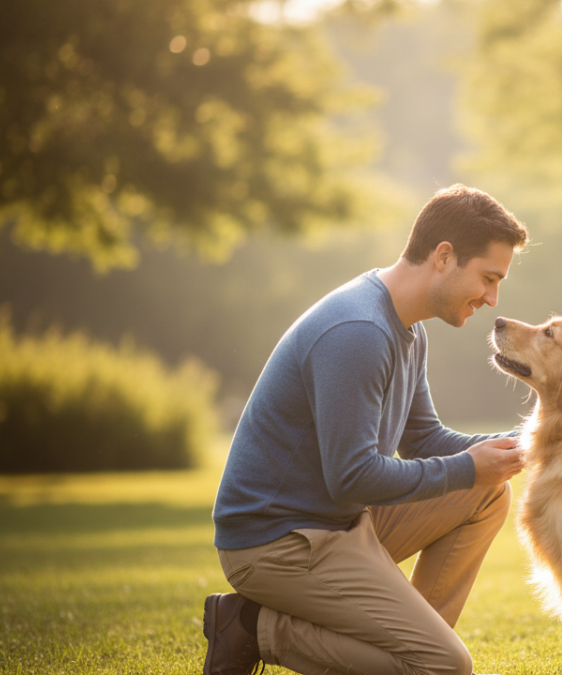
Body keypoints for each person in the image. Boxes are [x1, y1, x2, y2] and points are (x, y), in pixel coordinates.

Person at [203, 184, 530, 675]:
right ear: (443, 256)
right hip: (277, 541)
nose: (491, 298)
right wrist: (467, 467)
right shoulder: (360, 332)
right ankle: (250, 626)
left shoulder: (408, 328)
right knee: (446, 667)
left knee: (486, 494)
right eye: (487, 278)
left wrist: (533, 444)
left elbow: (423, 440)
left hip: (338, 522)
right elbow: (352, 477)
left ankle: (414, 650)